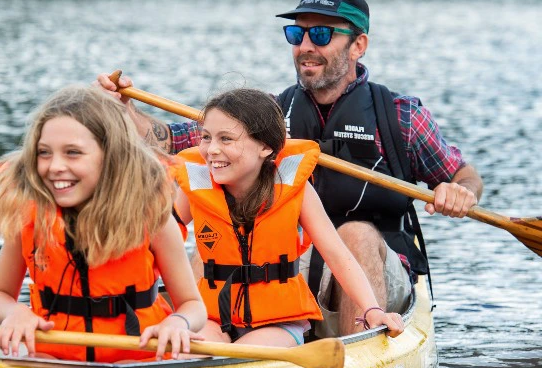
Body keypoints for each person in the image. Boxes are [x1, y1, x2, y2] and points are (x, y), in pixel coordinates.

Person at [97, 0, 483, 338]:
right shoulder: (267, 115)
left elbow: (463, 175)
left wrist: (460, 192)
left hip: (376, 265)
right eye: (297, 34)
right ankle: (199, 335)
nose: (305, 46)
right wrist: (127, 112)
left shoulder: (401, 116)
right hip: (286, 259)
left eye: (321, 34)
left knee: (356, 233)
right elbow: (170, 141)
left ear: (359, 45)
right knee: (216, 230)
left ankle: (358, 354)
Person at [0, 85, 207, 363]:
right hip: (53, 357)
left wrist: (178, 322)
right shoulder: (28, 216)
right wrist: (14, 312)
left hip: (136, 361)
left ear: (110, 157)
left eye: (73, 153)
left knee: (126, 366)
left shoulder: (152, 218)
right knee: (37, 363)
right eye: (44, 153)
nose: (55, 166)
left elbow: (193, 306)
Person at [170, 87, 403, 346]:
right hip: (214, 316)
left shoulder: (296, 190)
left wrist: (372, 309)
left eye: (226, 139)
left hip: (277, 322)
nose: (211, 150)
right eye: (205, 137)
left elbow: (337, 255)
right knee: (194, 349)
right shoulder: (197, 185)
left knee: (242, 357)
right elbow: (158, 238)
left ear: (266, 148)